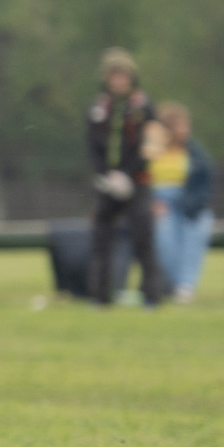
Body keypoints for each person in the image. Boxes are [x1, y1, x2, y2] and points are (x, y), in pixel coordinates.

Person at [86, 48, 164, 307]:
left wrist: (128, 175)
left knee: (143, 239)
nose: (118, 81)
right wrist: (106, 175)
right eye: (114, 76)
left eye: (123, 75)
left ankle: (151, 296)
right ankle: (99, 298)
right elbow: (92, 144)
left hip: (137, 182)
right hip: (107, 183)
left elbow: (151, 144)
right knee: (101, 240)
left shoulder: (144, 106)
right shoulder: (98, 107)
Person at [149, 101, 215, 303]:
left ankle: (186, 286)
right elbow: (140, 179)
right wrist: (151, 202)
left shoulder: (194, 152)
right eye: (179, 125)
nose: (184, 130)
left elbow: (205, 183)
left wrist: (194, 205)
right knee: (164, 235)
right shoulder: (151, 151)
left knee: (196, 229)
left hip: (189, 203)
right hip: (161, 203)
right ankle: (175, 283)